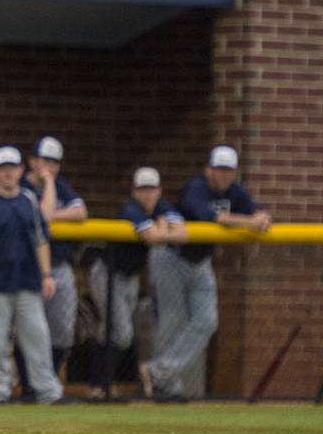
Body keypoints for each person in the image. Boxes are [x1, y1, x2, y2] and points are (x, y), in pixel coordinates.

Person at [149, 145, 271, 402]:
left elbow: (256, 211)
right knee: (172, 323)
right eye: (219, 169)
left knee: (207, 320)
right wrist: (249, 222)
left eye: (229, 170)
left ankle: (161, 372)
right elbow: (209, 217)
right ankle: (167, 388)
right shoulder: (197, 187)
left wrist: (261, 217)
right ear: (208, 170)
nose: (224, 175)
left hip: (201, 262)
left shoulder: (235, 191)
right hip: (172, 257)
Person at [0, 145, 63, 405]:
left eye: (12, 168)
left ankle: (48, 392)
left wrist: (47, 275)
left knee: (37, 338)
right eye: (3, 169)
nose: (7, 173)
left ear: (20, 170)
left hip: (27, 281)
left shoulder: (29, 201)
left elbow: (42, 240)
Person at [94, 167, 185, 391]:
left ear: (159, 190)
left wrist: (162, 230)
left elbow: (182, 233)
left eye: (151, 189)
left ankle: (98, 386)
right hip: (107, 274)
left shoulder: (162, 206)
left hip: (130, 277)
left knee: (112, 330)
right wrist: (163, 228)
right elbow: (152, 237)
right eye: (142, 189)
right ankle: (101, 384)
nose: (147, 194)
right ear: (135, 192)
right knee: (122, 333)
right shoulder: (131, 208)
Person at [21, 136, 87, 382]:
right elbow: (44, 216)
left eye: (54, 162)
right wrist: (49, 185)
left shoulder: (62, 186)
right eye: (43, 161)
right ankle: (29, 385)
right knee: (31, 330)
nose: (49, 167)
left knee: (62, 331)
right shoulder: (22, 187)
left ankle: (48, 381)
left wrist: (54, 209)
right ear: (32, 162)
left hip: (59, 265)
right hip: (28, 268)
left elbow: (81, 211)